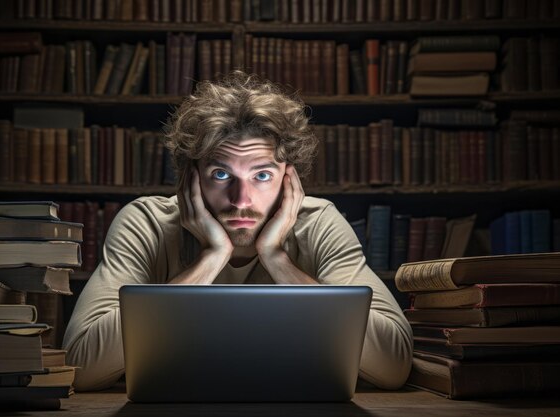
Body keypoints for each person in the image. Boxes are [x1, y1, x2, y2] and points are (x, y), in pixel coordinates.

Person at [63, 71, 413, 392]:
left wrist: (276, 259)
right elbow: (80, 365)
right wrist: (212, 258)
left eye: (261, 175)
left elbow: (393, 365)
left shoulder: (319, 222)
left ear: (288, 178)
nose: (241, 199)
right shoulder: (146, 222)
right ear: (191, 176)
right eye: (220, 174)